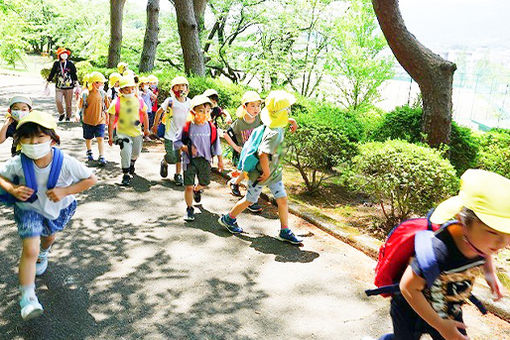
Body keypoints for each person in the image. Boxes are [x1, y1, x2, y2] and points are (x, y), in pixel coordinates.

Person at [378, 169, 510, 340]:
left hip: (448, 310)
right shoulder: (440, 250)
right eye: (493, 232)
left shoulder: (482, 242)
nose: (502, 243)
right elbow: (407, 287)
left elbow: (485, 254)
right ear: (462, 220)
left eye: (508, 233)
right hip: (410, 310)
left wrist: (490, 273)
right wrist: (441, 326)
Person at [0, 111, 97, 320]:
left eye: (39, 137)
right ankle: (28, 299)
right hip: (29, 209)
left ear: (52, 139)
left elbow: (91, 179)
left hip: (58, 209)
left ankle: (45, 252)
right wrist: (13, 189)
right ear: (19, 141)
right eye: (27, 137)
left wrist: (65, 191)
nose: (33, 143)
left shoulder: (66, 162)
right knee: (29, 249)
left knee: (48, 237)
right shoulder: (19, 161)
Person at [218, 90, 302, 245]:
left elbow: (281, 119)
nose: (289, 111)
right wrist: (267, 171)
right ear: (280, 113)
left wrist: (291, 121)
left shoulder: (275, 122)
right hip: (261, 173)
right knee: (250, 200)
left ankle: (284, 231)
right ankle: (228, 219)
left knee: (282, 199)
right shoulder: (274, 132)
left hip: (273, 173)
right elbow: (263, 153)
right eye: (287, 109)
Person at [174, 95, 223, 221]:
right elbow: (176, 142)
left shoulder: (211, 128)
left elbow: (217, 146)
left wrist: (220, 161)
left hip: (205, 160)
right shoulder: (187, 126)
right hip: (189, 161)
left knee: (205, 182)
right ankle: (189, 208)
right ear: (193, 112)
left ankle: (197, 189)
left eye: (207, 111)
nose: (205, 114)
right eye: (201, 110)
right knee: (188, 186)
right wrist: (185, 148)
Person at [223, 91, 264, 212]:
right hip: (245, 154)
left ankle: (235, 183)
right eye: (252, 105)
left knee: (249, 173)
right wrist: (236, 147)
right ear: (244, 107)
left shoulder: (260, 120)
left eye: (258, 105)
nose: (256, 109)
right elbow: (226, 134)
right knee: (250, 174)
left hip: (256, 153)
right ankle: (251, 201)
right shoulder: (239, 123)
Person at [107, 76, 149, 186]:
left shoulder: (139, 100)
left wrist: (147, 129)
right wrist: (110, 136)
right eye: (127, 89)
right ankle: (125, 174)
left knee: (136, 152)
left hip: (137, 132)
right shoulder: (116, 102)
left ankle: (132, 163)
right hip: (122, 133)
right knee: (125, 151)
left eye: (132, 88)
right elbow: (111, 120)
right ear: (120, 90)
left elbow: (144, 114)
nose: (130, 91)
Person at [152, 76, 191, 186]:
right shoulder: (170, 101)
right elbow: (159, 112)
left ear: (187, 88)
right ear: (173, 89)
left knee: (180, 156)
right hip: (170, 134)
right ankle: (165, 161)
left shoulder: (189, 102)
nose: (180, 88)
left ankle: (178, 174)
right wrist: (155, 126)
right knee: (172, 157)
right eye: (177, 86)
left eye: (183, 85)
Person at [79, 71, 108, 165]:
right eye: (101, 82)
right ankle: (89, 150)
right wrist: (76, 114)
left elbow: (107, 106)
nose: (103, 84)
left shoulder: (103, 94)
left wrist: (108, 117)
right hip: (87, 120)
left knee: (100, 138)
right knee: (88, 138)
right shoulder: (85, 94)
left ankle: (102, 155)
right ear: (94, 83)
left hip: (100, 120)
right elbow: (80, 106)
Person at [46, 47, 79, 121]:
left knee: (68, 104)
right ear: (59, 55)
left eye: (65, 54)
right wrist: (47, 83)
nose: (64, 55)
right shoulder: (56, 64)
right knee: (58, 101)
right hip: (59, 86)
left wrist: (77, 85)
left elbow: (74, 75)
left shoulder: (70, 64)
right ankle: (61, 113)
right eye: (62, 54)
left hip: (69, 87)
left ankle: (68, 116)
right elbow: (52, 73)